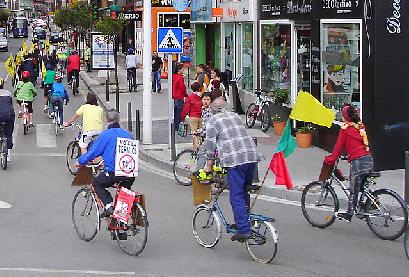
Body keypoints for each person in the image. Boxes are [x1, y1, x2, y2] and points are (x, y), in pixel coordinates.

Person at [203, 92, 263, 242]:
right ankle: (243, 220)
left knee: (235, 195)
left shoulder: (212, 121)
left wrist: (208, 166)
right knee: (244, 191)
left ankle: (244, 230)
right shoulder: (235, 116)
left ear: (212, 108)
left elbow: (210, 146)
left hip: (235, 161)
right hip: (252, 157)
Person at [77, 109, 135, 218]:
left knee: (96, 183)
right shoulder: (128, 135)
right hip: (130, 173)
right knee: (124, 194)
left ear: (107, 121)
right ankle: (121, 226)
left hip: (114, 173)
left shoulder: (105, 135)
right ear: (118, 120)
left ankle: (108, 206)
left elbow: (93, 152)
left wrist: (80, 161)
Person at [324, 104, 373, 223]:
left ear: (346, 116)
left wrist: (329, 160)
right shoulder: (360, 126)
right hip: (369, 159)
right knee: (361, 187)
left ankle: (349, 214)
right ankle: (369, 203)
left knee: (353, 190)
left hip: (358, 162)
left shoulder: (345, 129)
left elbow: (338, 147)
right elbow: (359, 144)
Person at [181, 82, 202, 151]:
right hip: (201, 117)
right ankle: (197, 147)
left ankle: (196, 148)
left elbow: (186, 108)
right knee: (200, 134)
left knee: (194, 134)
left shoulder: (190, 97)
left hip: (193, 117)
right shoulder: (202, 96)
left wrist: (183, 117)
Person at [0, 78, 15, 162]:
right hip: (9, 115)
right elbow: (11, 104)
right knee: (8, 133)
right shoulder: (8, 93)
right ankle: (8, 153)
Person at [172, 63, 187, 129]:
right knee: (180, 111)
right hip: (179, 95)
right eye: (182, 69)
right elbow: (182, 87)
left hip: (174, 95)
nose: (183, 70)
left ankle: (176, 124)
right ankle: (178, 125)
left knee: (176, 110)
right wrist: (185, 94)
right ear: (179, 70)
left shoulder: (173, 76)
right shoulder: (180, 78)